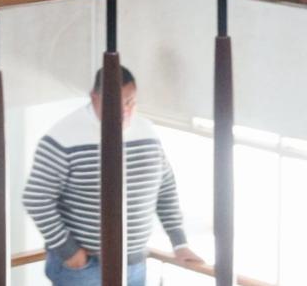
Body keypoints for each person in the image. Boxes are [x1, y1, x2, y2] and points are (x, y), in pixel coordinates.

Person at [23, 67, 204, 285]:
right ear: (94, 97)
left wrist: (179, 243)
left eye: (129, 102)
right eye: (114, 103)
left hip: (135, 264)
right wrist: (69, 251)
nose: (123, 111)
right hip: (85, 267)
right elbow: (36, 199)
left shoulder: (147, 132)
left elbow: (164, 189)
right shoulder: (63, 138)